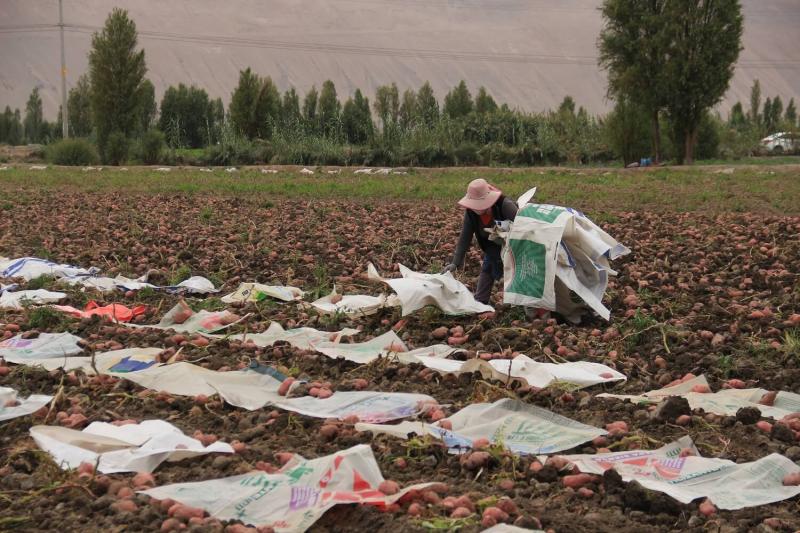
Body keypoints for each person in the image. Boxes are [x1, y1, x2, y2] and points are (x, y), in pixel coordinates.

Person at [442, 178, 517, 304]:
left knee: (520, 282)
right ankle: (480, 304)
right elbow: (465, 237)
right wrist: (455, 263)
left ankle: (528, 306)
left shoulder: (505, 205)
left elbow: (525, 228)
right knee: (485, 277)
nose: (476, 208)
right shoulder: (471, 213)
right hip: (492, 250)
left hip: (514, 249)